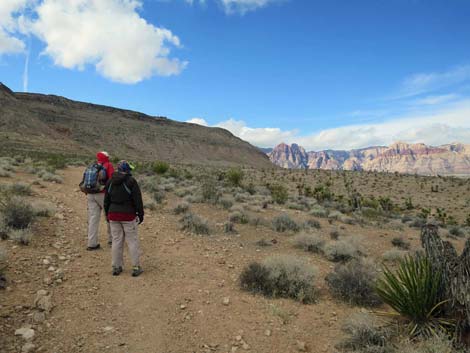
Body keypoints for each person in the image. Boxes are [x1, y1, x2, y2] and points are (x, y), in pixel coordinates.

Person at [104, 160, 144, 277]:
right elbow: (137, 199)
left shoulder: (110, 181)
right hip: (128, 215)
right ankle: (136, 267)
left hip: (113, 214)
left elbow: (106, 200)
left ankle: (116, 267)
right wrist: (140, 214)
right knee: (132, 241)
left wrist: (107, 214)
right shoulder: (131, 181)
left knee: (116, 241)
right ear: (127, 170)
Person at [86, 151, 114, 250]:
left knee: (93, 219)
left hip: (90, 194)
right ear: (106, 157)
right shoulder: (108, 165)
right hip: (103, 194)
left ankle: (91, 243)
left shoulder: (93, 165)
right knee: (109, 216)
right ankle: (112, 240)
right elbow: (112, 180)